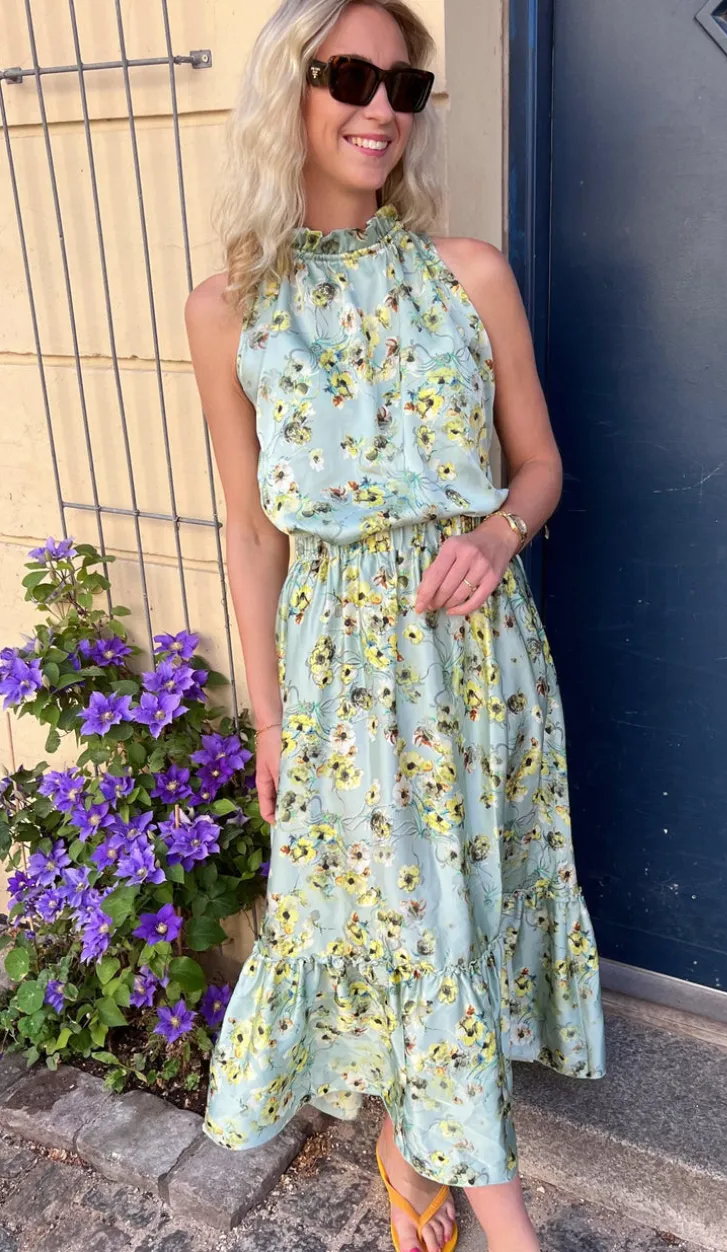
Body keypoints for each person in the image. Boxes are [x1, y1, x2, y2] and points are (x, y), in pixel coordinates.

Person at [185, 2, 606, 1249]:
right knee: (411, 925)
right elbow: (250, 531)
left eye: (404, 86)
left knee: (453, 914)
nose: (380, 107)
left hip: (475, 659)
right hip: (339, 673)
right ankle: (508, 1229)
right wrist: (269, 723)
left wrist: (495, 535)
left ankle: (413, 1145)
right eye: (350, 77)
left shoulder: (467, 273)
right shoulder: (228, 309)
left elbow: (539, 466)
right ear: (291, 90)